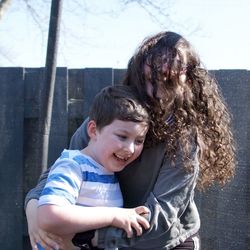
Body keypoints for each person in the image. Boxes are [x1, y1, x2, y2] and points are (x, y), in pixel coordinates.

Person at [25, 31, 236, 250]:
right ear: (138, 73)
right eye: (151, 78)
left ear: (187, 81)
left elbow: (160, 219)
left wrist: (86, 236)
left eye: (169, 80)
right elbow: (59, 175)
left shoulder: (183, 140)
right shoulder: (106, 122)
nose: (156, 91)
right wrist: (34, 213)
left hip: (164, 242)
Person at [35, 85, 150, 250]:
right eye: (122, 136)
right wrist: (113, 216)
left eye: (138, 141)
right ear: (93, 130)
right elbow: (48, 217)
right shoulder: (73, 165)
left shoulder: (107, 172)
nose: (130, 148)